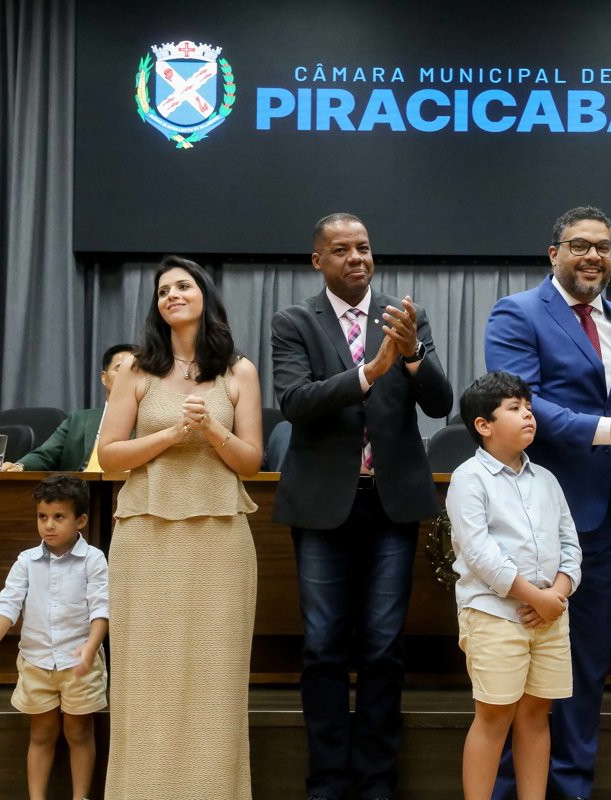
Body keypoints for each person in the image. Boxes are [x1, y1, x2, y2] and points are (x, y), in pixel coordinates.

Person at [484, 206, 611, 800]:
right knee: (525, 671)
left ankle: (572, 788)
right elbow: (522, 402)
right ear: (553, 253)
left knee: (585, 667)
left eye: (605, 247)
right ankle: (515, 790)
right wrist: (607, 431)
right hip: (536, 515)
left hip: (606, 516)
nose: (594, 257)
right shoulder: (517, 313)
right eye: (581, 245)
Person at [270, 213, 452, 800]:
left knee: (382, 647)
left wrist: (414, 355)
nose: (356, 258)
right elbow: (296, 402)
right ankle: (326, 779)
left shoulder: (404, 317)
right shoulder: (294, 321)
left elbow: (440, 402)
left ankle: (375, 780)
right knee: (323, 647)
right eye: (341, 249)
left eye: (365, 248)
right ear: (317, 260)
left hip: (391, 505)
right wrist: (371, 370)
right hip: (324, 506)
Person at [98, 255, 263, 800]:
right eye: (163, 289)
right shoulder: (136, 371)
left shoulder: (238, 370)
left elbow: (251, 462)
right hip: (145, 534)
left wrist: (211, 427)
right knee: (144, 678)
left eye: (183, 285)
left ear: (204, 295)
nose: (171, 294)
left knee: (215, 679)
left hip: (219, 539)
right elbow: (111, 454)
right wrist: (170, 436)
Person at [446, 371, 582, 800]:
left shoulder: (546, 479)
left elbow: (570, 544)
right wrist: (536, 598)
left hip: (549, 614)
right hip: (495, 614)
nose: (528, 414)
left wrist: (557, 594)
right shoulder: (469, 479)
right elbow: (482, 554)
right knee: (494, 716)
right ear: (483, 426)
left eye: (528, 406)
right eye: (514, 408)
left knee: (537, 715)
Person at [0, 473, 108, 800]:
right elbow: (7, 604)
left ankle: (80, 796)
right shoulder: (26, 562)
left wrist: (90, 648)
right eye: (42, 517)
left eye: (58, 517)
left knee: (78, 732)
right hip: (36, 662)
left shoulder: (94, 560)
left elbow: (101, 609)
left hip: (80, 662)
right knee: (42, 732)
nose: (48, 525)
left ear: (81, 520)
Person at [1, 344, 136, 472]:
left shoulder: (149, 421)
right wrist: (20, 466)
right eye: (119, 369)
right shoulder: (77, 420)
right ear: (104, 378)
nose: (126, 376)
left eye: (134, 371)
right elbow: (46, 454)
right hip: (78, 490)